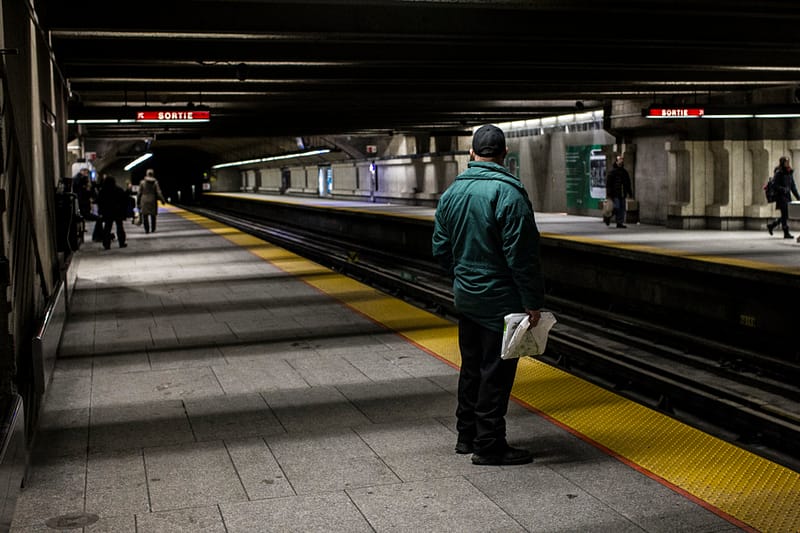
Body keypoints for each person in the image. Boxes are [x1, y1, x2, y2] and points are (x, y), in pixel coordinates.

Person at [432, 124, 545, 466]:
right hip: (502, 303)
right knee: (495, 374)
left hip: (467, 299)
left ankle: (466, 436)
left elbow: (440, 248)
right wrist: (532, 302)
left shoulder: (451, 194)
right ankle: (489, 444)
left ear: (471, 154)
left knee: (471, 368)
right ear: (504, 155)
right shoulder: (509, 193)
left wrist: (463, 276)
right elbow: (522, 256)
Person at [766, 156, 800, 239]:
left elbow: (793, 186)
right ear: (782, 163)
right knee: (785, 214)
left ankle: (772, 225)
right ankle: (786, 232)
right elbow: (774, 185)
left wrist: (798, 197)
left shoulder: (789, 172)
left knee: (786, 214)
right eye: (786, 162)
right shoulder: (779, 173)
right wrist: (783, 189)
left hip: (787, 196)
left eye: (788, 162)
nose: (788, 163)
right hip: (781, 197)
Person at [96, 176, 128, 249]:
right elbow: (124, 200)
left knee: (107, 227)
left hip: (107, 212)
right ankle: (121, 242)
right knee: (119, 227)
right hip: (117, 211)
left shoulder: (102, 191)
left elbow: (99, 202)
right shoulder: (118, 190)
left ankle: (106, 244)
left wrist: (101, 211)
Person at [605, 155, 633, 228]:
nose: (621, 162)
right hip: (615, 194)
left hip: (622, 193)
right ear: (616, 162)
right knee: (616, 207)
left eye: (622, 160)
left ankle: (619, 223)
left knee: (622, 208)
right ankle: (608, 217)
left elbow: (628, 183)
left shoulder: (624, 172)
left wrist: (630, 192)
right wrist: (609, 194)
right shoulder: (612, 172)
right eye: (619, 160)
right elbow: (608, 184)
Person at [137, 168, 166, 234]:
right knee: (153, 216)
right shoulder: (155, 183)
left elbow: (139, 193)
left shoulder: (142, 182)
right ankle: (153, 229)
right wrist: (162, 200)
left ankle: (146, 230)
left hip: (144, 200)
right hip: (153, 200)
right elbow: (158, 192)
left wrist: (138, 202)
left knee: (145, 216)